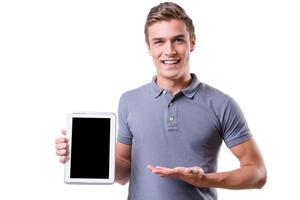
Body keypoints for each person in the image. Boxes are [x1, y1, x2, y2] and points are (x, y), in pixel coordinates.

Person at [55, 2, 267, 199]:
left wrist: (203, 180)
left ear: (192, 42)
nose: (169, 51)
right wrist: (83, 153)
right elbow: (122, 174)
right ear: (149, 47)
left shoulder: (221, 104)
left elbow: (257, 174)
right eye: (159, 42)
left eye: (178, 40)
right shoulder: (129, 101)